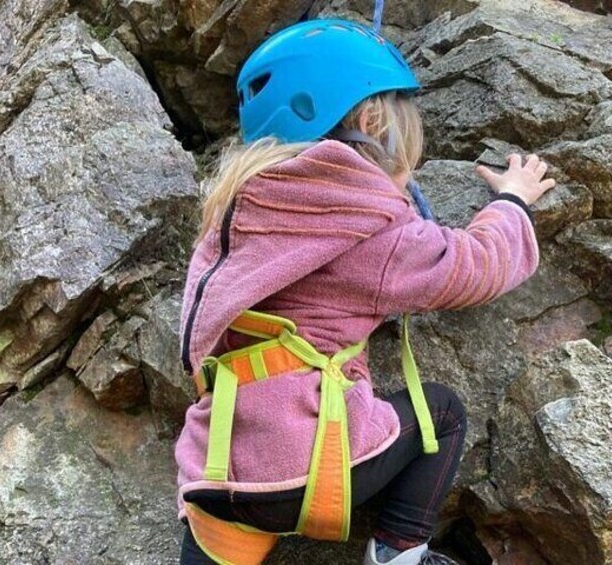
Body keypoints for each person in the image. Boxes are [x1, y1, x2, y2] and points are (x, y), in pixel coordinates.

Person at [173, 18, 554, 565]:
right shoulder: (365, 223)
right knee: (442, 414)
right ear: (373, 121)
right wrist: (512, 202)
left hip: (215, 473)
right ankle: (400, 554)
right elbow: (475, 266)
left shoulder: (231, 214)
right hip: (311, 466)